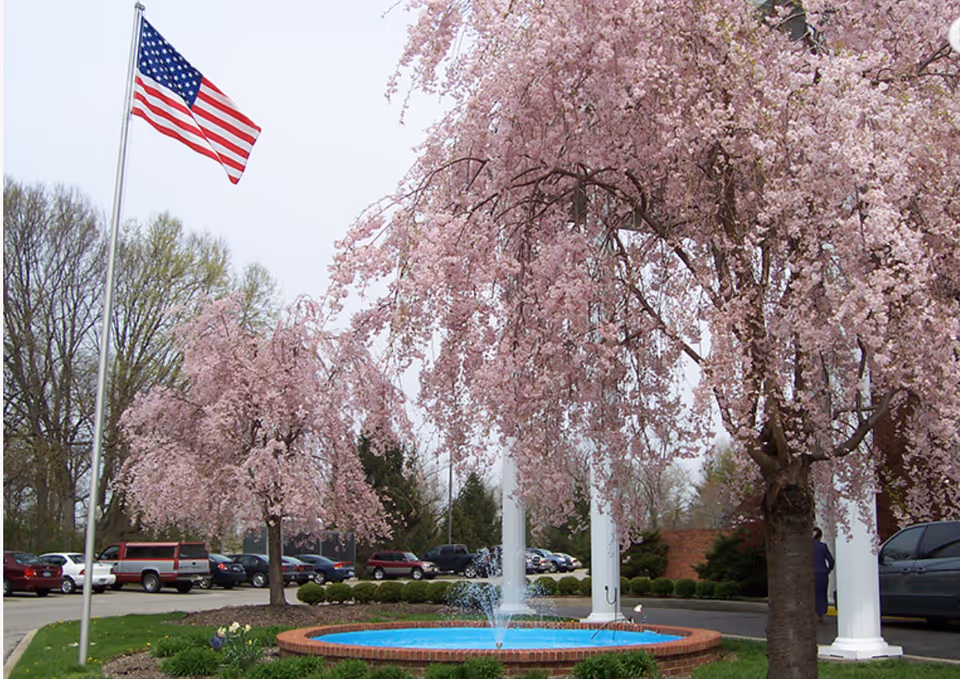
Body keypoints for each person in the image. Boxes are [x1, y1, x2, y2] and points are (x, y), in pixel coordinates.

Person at [813, 526, 835, 623]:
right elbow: (831, 561)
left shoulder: (806, 547)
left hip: (810, 573)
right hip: (822, 573)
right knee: (821, 594)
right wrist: (827, 570)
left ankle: (812, 614)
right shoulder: (823, 546)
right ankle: (820, 614)